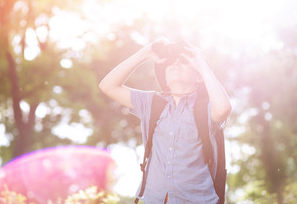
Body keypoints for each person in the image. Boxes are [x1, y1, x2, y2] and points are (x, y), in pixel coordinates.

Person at [99, 38, 232, 204]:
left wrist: (202, 64)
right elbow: (107, 86)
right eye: (170, 63)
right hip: (154, 200)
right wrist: (144, 54)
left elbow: (224, 108)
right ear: (165, 78)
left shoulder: (205, 109)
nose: (175, 65)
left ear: (198, 77)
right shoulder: (151, 103)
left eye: (183, 62)